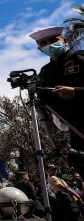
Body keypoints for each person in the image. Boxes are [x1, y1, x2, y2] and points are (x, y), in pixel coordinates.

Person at [30, 26, 84, 174]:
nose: (49, 45)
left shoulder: (80, 59)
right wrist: (40, 93)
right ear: (40, 49)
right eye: (44, 43)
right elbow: (50, 103)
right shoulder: (45, 72)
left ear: (65, 41)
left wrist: (76, 92)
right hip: (75, 130)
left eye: (54, 40)